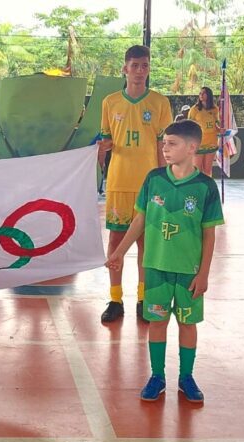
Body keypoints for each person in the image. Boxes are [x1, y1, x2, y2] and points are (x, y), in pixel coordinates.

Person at [108, 119, 224, 403]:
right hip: (155, 268)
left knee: (187, 324)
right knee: (156, 322)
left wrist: (205, 274)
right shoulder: (154, 179)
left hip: (189, 272)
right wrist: (119, 252)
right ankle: (157, 376)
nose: (165, 148)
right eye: (164, 143)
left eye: (172, 144)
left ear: (192, 147)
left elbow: (209, 236)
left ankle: (186, 377)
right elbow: (140, 219)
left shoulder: (205, 187)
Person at [98, 45, 172, 323]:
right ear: (124, 69)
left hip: (148, 183)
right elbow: (104, 143)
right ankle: (115, 299)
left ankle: (144, 298)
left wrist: (163, 180)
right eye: (135, 66)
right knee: (116, 240)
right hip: (118, 181)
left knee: (146, 243)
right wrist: (99, 148)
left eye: (145, 65)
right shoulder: (110, 102)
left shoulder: (160, 103)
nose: (140, 71)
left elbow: (162, 145)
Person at [188, 87, 221, 176]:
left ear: (209, 95)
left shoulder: (215, 109)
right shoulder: (194, 109)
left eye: (204, 93)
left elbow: (217, 125)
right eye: (200, 93)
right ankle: (197, 189)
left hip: (211, 142)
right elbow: (189, 126)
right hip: (199, 142)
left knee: (207, 170)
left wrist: (221, 130)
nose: (201, 95)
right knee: (197, 170)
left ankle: (207, 188)